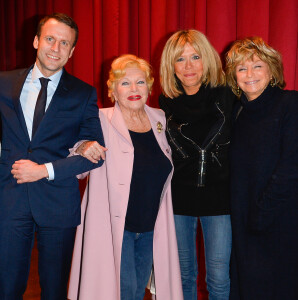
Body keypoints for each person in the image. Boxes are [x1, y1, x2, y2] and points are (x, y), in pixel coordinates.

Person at [0, 13, 106, 299]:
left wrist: (43, 170)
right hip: (9, 200)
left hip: (58, 203)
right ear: (36, 41)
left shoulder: (83, 94)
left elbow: (95, 154)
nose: (55, 48)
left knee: (55, 291)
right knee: (6, 288)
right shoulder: (3, 83)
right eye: (50, 39)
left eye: (64, 43)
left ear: (72, 51)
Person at [68, 54, 183, 300]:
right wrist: (82, 147)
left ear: (149, 87)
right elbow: (77, 167)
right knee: (126, 291)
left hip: (150, 227)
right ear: (112, 90)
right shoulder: (100, 120)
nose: (133, 89)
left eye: (140, 82)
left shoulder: (159, 119)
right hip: (116, 228)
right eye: (125, 83)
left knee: (137, 290)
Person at [159, 30, 235, 300]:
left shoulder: (229, 96)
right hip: (178, 200)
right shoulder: (163, 104)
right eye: (180, 59)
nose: (189, 66)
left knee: (218, 278)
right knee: (182, 277)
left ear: (208, 60)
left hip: (220, 199)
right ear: (171, 65)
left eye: (195, 57)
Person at [226, 36, 298, 300]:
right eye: (241, 68)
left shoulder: (291, 104)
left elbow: (292, 167)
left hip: (282, 220)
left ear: (272, 70)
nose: (249, 74)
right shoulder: (238, 112)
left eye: (257, 66)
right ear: (234, 77)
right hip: (243, 220)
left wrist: (262, 212)